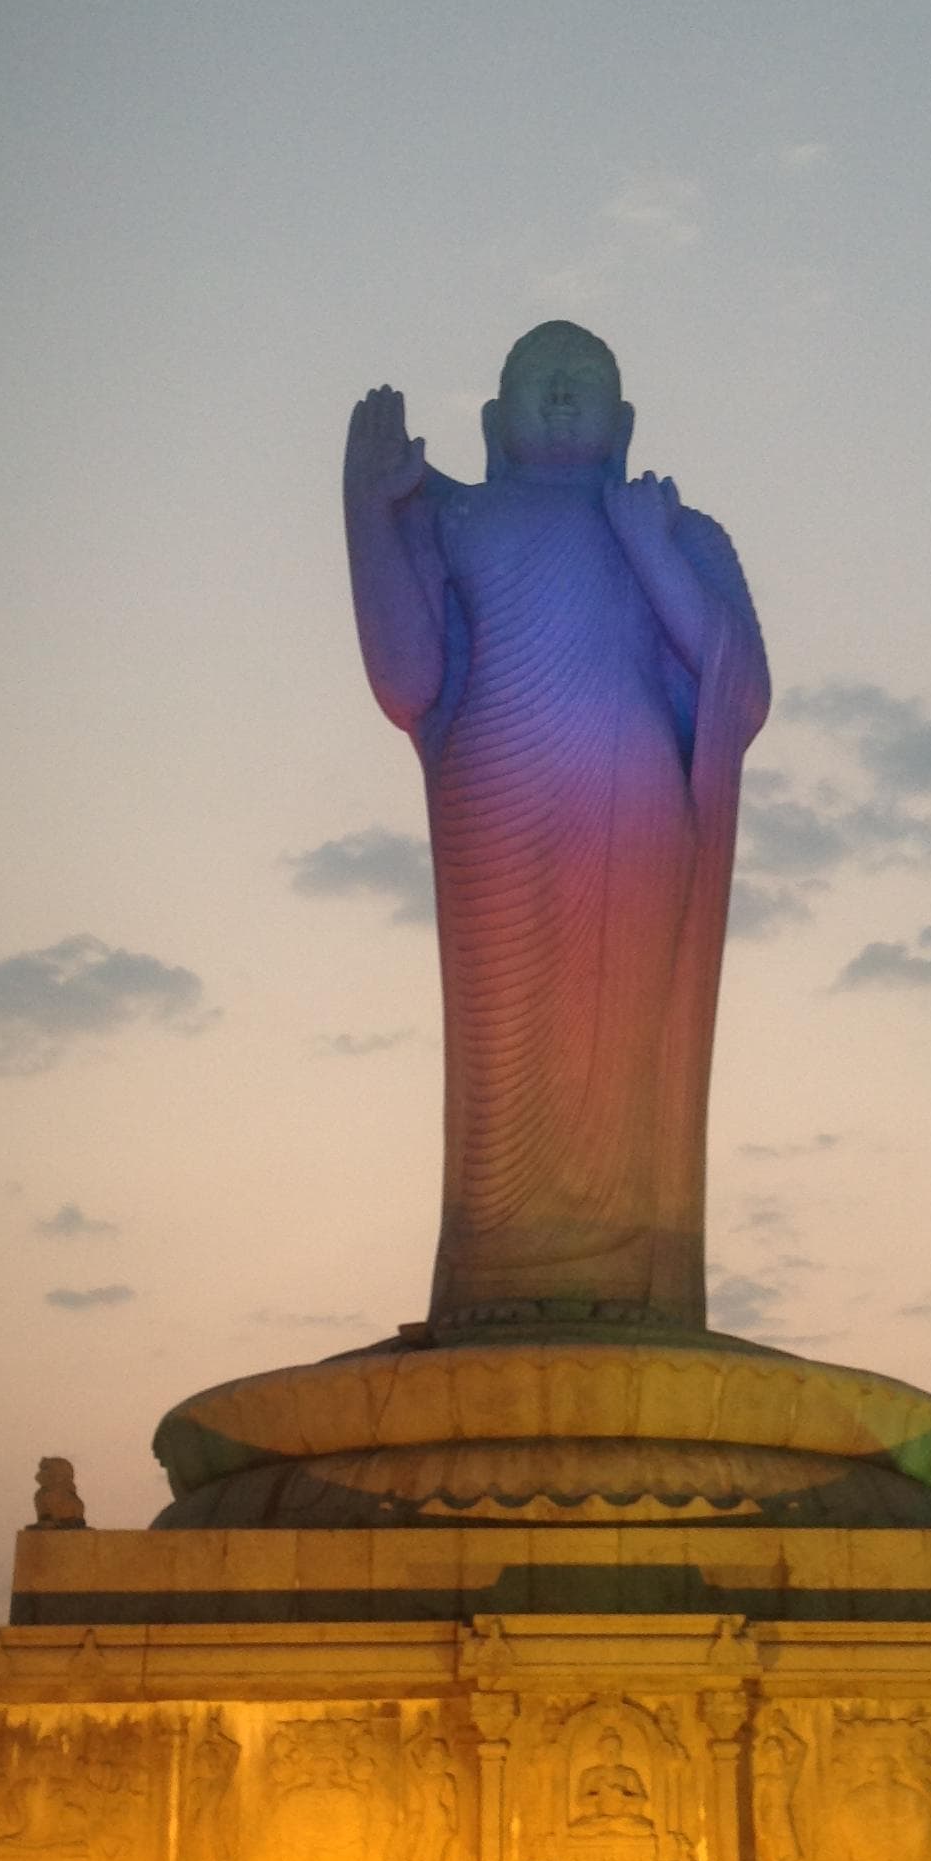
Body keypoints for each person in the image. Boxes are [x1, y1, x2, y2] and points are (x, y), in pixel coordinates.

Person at [344, 323, 769, 1330]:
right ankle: (497, 1274)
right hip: (494, 791)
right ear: (496, 422)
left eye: (586, 384)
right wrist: (368, 511)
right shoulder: (459, 520)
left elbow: (736, 691)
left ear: (623, 424)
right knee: (504, 1048)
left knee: (612, 1034)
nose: (566, 396)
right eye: (544, 381)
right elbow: (407, 680)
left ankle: (625, 1264)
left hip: (629, 806)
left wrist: (650, 547)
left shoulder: (682, 531)